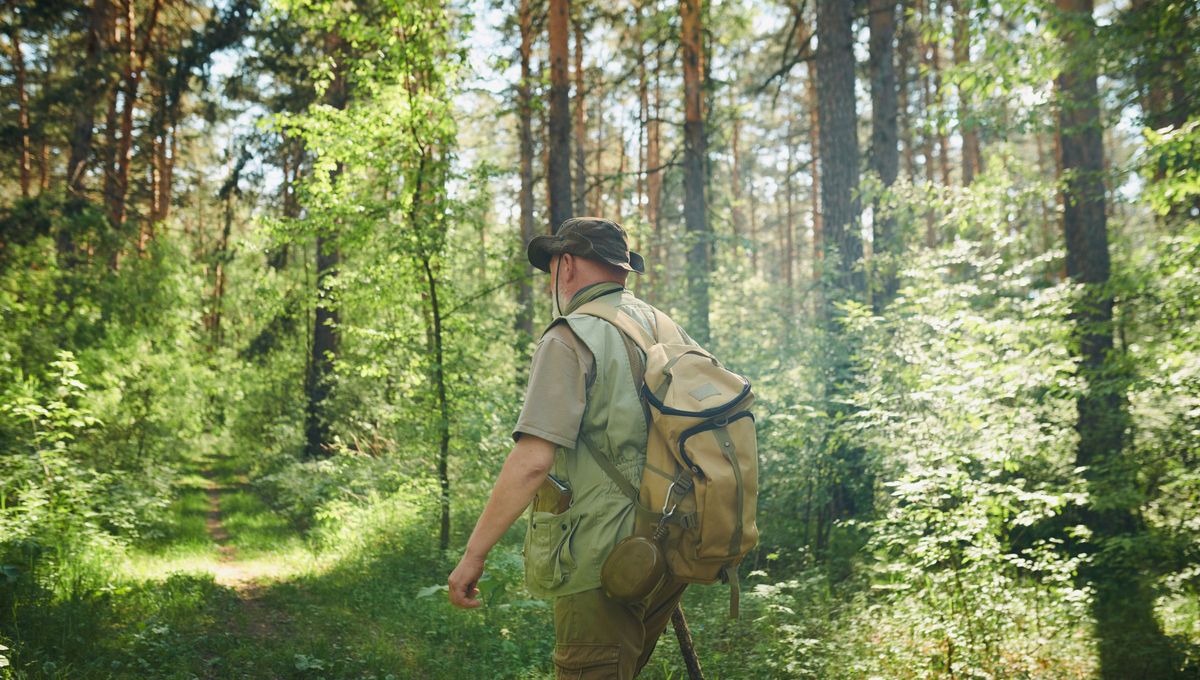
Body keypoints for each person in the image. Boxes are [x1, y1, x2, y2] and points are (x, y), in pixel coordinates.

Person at [448, 217, 690, 679]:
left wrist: (473, 555)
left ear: (567, 264)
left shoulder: (571, 335)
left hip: (605, 561)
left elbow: (532, 462)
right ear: (622, 270)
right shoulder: (662, 326)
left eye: (553, 266)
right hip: (667, 549)